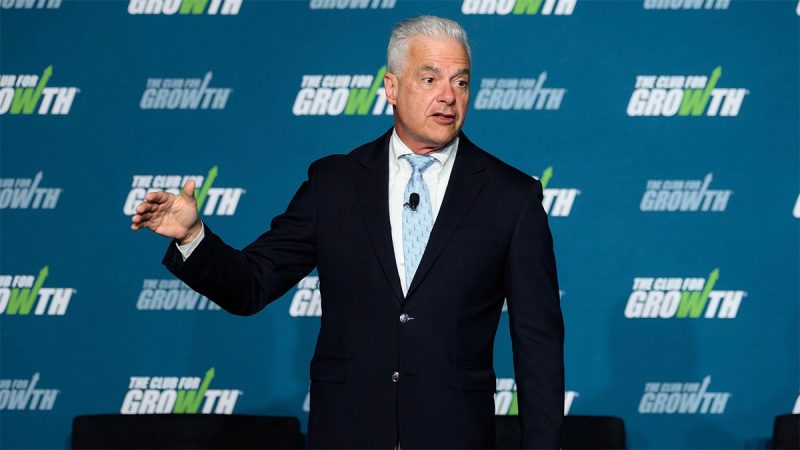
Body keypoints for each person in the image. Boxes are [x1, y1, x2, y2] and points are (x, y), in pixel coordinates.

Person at [131, 16, 564, 449]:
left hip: (454, 435)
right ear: (391, 87)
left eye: (461, 82)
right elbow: (251, 284)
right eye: (429, 78)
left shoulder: (511, 197)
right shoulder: (334, 185)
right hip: (348, 432)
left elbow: (538, 344)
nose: (448, 96)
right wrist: (192, 236)